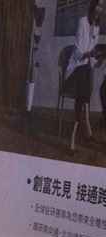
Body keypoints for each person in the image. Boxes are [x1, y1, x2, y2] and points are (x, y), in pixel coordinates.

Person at [65, 0, 105, 154]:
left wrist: (98, 60)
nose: (99, 9)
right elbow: (78, 54)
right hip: (72, 74)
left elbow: (92, 61)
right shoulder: (83, 22)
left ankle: (72, 139)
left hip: (83, 76)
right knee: (84, 72)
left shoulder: (96, 27)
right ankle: (87, 122)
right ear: (92, 5)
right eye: (97, 5)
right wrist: (90, 55)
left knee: (87, 72)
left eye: (102, 6)